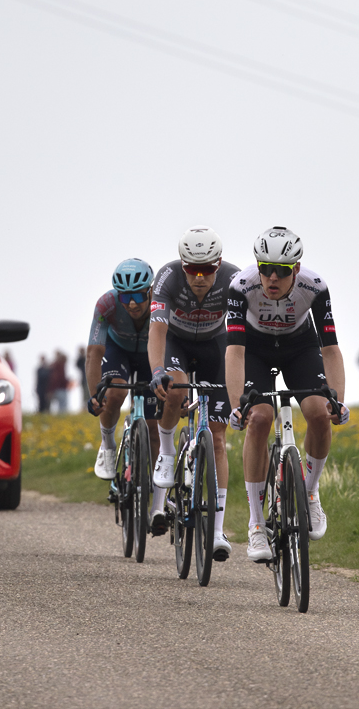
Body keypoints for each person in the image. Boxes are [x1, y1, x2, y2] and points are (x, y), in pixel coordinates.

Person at [225, 226, 348, 563]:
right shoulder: (241, 287)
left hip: (299, 347)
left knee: (320, 413)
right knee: (260, 418)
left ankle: (309, 494)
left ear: (296, 269)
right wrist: (238, 405)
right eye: (265, 269)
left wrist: (338, 398)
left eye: (281, 271)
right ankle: (255, 524)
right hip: (255, 350)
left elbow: (331, 349)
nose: (272, 278)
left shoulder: (315, 287)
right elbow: (234, 352)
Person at [148, 226, 239, 560]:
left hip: (216, 345)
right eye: (192, 270)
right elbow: (157, 330)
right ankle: (168, 452)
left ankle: (216, 531)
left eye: (207, 271)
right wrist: (157, 370)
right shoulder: (168, 277)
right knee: (174, 389)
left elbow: (248, 329)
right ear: (183, 265)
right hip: (178, 343)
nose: (199, 278)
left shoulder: (234, 278)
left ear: (218, 264)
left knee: (217, 438)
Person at [86, 259, 158, 482]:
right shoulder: (106, 304)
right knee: (114, 392)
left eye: (138, 296)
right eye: (125, 297)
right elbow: (93, 354)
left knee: (153, 426)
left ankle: (158, 495)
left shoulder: (162, 303)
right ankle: (107, 445)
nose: (133, 304)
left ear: (151, 290)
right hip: (118, 350)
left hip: (150, 353)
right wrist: (95, 397)